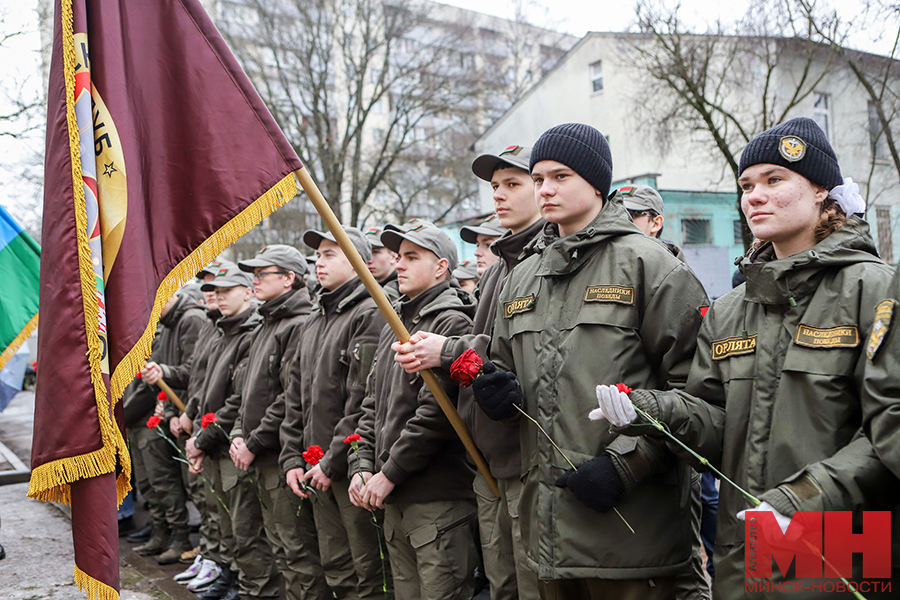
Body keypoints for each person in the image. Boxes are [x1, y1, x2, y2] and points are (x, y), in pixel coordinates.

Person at [594, 117, 900, 598]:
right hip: (746, 541)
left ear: (822, 190)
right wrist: (651, 411)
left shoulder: (876, 289)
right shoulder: (732, 309)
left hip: (841, 539)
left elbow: (888, 434)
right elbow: (718, 425)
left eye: (774, 180)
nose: (754, 195)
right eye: (746, 184)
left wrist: (799, 501)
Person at [473, 123, 710, 599]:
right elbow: (504, 364)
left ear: (597, 183)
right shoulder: (523, 277)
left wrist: (625, 466)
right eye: (538, 178)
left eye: (560, 176)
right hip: (549, 535)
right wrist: (498, 391)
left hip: (631, 537)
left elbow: (700, 395)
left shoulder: (650, 266)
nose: (545, 189)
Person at [393, 143, 543, 600]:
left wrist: (447, 351)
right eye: (495, 187)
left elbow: (516, 354)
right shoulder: (500, 269)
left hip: (528, 461)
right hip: (488, 460)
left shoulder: (544, 260)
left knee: (536, 586)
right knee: (503, 587)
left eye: (513, 184)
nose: (498, 195)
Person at [350, 219, 478, 600]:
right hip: (395, 495)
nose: (398, 264)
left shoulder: (451, 322)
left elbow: (437, 414)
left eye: (411, 256)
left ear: (441, 266)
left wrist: (389, 472)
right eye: (397, 256)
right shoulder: (396, 321)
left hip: (435, 497)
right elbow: (371, 403)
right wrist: (361, 466)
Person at [281, 227, 388, 599]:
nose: (317, 262)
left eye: (329, 254)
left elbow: (362, 400)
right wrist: (293, 456)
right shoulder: (314, 319)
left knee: (369, 570)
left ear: (357, 261)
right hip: (315, 466)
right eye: (317, 256)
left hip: (349, 466)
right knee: (336, 566)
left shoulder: (370, 313)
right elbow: (295, 394)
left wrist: (332, 461)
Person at [231, 245, 330, 600]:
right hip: (260, 453)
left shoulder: (297, 324)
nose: (254, 282)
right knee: (280, 547)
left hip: (277, 455)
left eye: (262, 274)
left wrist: (254, 441)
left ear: (289, 278)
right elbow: (247, 392)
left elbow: (289, 397)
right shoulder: (267, 322)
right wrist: (239, 433)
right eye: (253, 275)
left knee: (299, 552)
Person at [186, 264, 265, 600]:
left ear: (248, 291)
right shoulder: (222, 329)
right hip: (214, 441)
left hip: (229, 440)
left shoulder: (250, 332)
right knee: (228, 523)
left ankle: (251, 587)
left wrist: (203, 437)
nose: (218, 296)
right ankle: (233, 577)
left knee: (247, 528)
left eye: (227, 290)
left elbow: (239, 399)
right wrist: (192, 421)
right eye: (215, 292)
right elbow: (202, 385)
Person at [128, 287, 206, 563]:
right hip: (169, 415)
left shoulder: (190, 319)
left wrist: (172, 410)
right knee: (153, 482)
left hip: (176, 417)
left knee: (175, 483)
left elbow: (192, 374)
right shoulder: (168, 324)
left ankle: (184, 538)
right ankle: (162, 532)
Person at [618, 183, 687, 261]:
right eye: (616, 214)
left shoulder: (671, 269)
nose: (620, 220)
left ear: (655, 224)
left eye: (631, 214)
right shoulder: (607, 260)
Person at [365, 226, 400, 300]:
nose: (369, 260)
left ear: (393, 257)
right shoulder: (361, 288)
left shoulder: (403, 289)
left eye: (376, 252)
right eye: (367, 252)